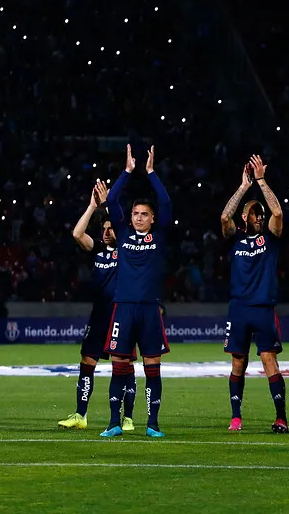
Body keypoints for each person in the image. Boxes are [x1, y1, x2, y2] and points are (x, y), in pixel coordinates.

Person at [101, 145, 172, 438]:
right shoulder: (123, 234)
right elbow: (111, 199)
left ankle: (152, 424)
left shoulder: (160, 235)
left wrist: (152, 173)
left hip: (150, 308)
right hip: (124, 307)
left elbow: (165, 202)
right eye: (135, 213)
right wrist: (127, 171)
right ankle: (113, 422)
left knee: (152, 364)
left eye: (144, 214)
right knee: (119, 363)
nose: (139, 217)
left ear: (153, 218)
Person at [58, 180, 136, 431]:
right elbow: (76, 234)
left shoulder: (128, 250)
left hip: (121, 315)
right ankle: (80, 415)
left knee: (124, 365)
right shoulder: (97, 251)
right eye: (104, 229)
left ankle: (127, 417)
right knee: (87, 361)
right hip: (99, 315)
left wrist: (109, 204)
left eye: (111, 228)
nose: (107, 232)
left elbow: (124, 230)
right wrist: (93, 206)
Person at [219, 155, 287, 433]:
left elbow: (278, 213)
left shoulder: (269, 237)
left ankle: (281, 418)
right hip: (239, 309)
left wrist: (261, 181)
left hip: (263, 308)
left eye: (260, 213)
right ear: (244, 217)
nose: (259, 216)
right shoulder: (235, 238)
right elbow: (225, 217)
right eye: (254, 213)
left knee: (269, 360)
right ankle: (236, 417)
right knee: (238, 363)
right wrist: (243, 188)